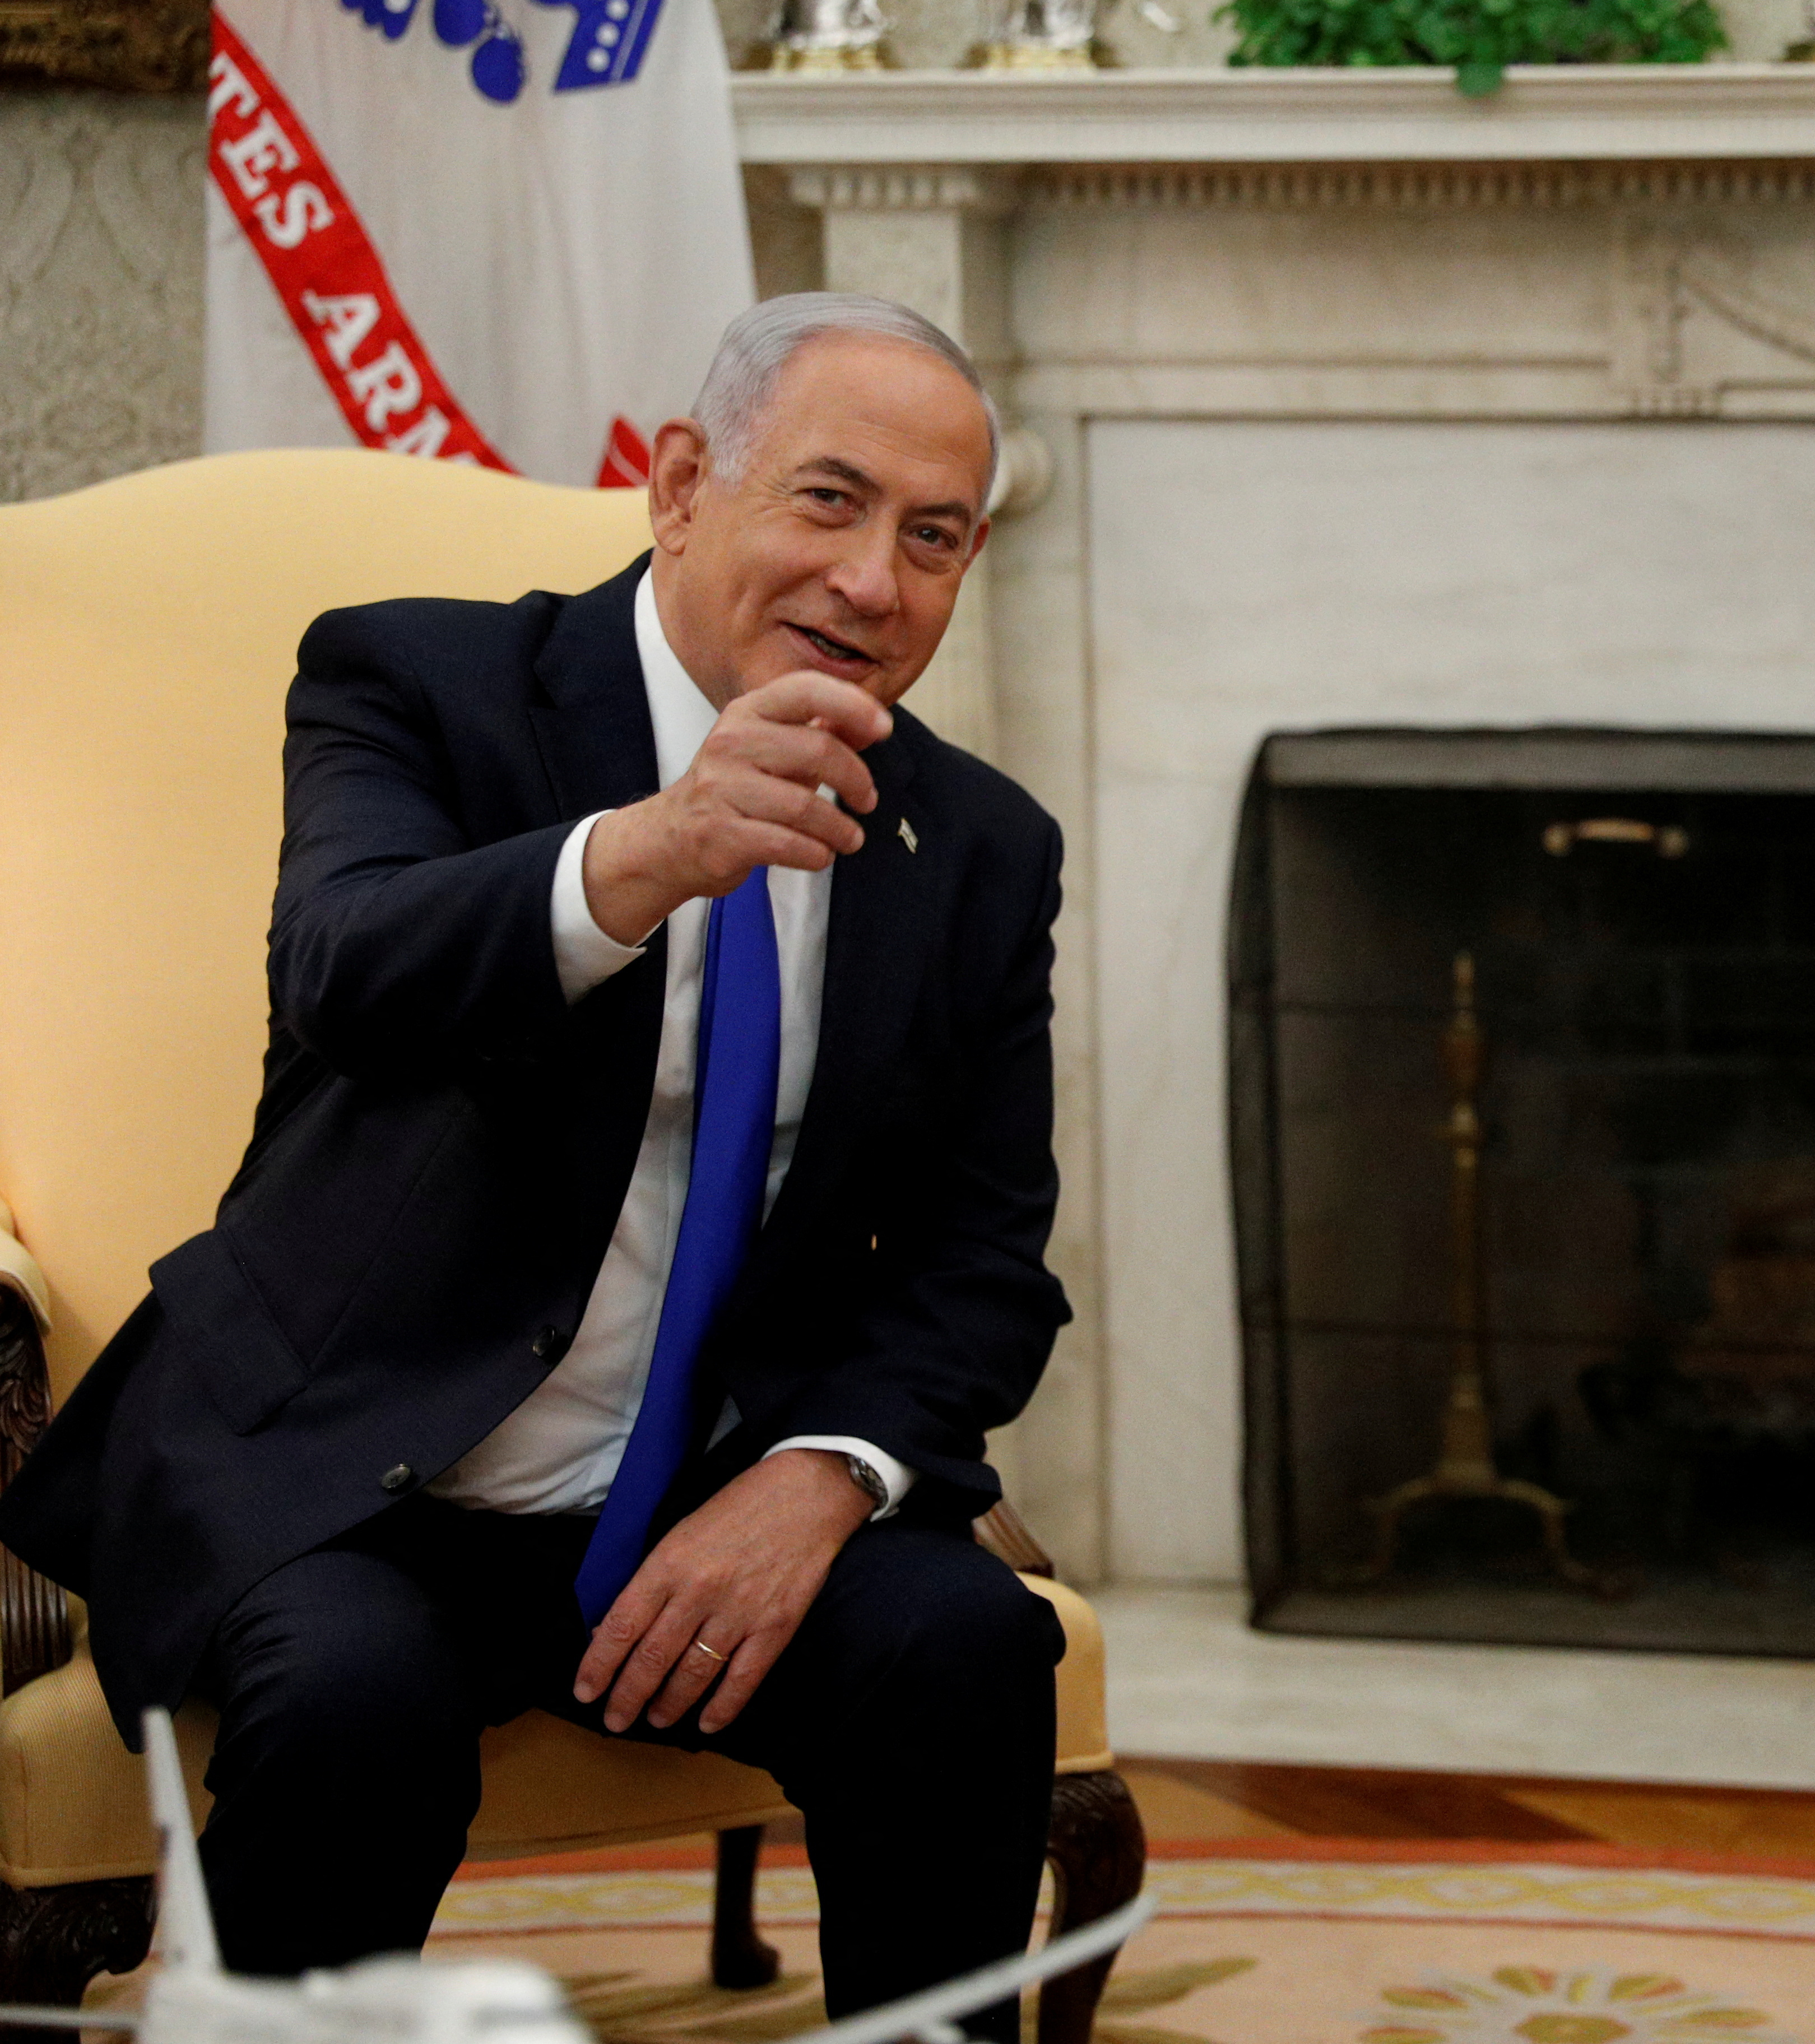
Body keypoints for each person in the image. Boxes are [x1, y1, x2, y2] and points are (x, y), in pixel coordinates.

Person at [0, 293, 1071, 2037]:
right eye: (828, 499)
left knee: (961, 1648)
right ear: (675, 486)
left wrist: (820, 1480)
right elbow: (344, 967)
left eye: (933, 537)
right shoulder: (417, 679)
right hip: (358, 1472)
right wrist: (650, 852)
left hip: (708, 1489)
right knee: (356, 1702)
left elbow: (983, 1257)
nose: (876, 582)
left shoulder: (977, 845)